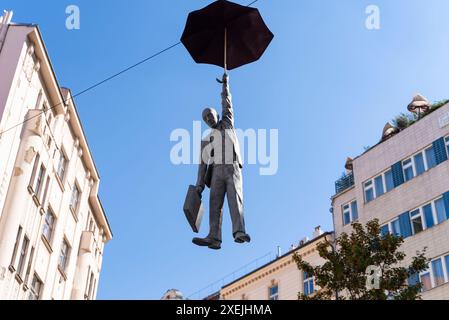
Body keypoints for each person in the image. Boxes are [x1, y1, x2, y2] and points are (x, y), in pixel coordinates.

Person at [192, 72, 250, 250]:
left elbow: (227, 103)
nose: (209, 119)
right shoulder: (206, 140)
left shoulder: (227, 122)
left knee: (235, 198)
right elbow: (202, 165)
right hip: (216, 171)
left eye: (210, 115)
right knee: (214, 204)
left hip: (232, 166)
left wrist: (225, 85)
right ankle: (214, 237)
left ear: (217, 115)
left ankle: (239, 231)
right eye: (205, 118)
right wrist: (199, 186)